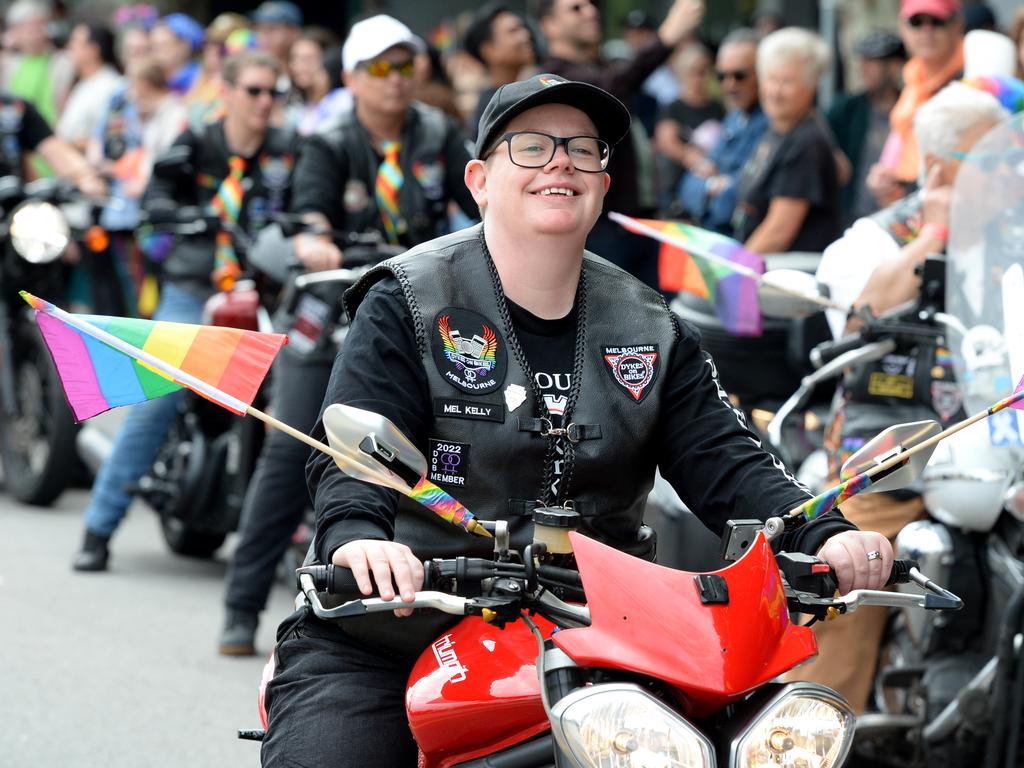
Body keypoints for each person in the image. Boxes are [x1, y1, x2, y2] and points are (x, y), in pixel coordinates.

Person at [258, 72, 895, 768]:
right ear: (478, 178)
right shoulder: (406, 299)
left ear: (602, 179)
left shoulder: (650, 325)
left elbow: (725, 458)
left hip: (599, 638)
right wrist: (358, 541)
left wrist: (822, 531)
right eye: (531, 146)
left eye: (583, 149)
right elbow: (353, 449)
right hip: (395, 630)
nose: (561, 161)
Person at [217, 15, 478, 655]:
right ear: (351, 78)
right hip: (332, 308)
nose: (395, 81)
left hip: (420, 310)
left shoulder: (440, 132)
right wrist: (314, 239)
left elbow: (479, 208)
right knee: (292, 446)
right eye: (380, 69)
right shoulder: (328, 143)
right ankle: (241, 609)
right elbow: (308, 216)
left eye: (405, 65)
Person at [794, 81, 1011, 713]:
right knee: (848, 567)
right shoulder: (874, 238)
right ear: (942, 168)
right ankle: (808, 727)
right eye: (993, 162)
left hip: (996, 443)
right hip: (890, 449)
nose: (1010, 175)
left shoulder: (1012, 243)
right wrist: (933, 234)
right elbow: (858, 318)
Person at [72, 50, 298, 572]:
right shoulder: (194, 144)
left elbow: (313, 205)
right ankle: (98, 528)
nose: (265, 103)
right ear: (229, 91)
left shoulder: (292, 150)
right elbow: (153, 202)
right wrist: (183, 216)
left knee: (296, 397)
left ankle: (291, 534)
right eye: (254, 91)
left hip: (266, 293)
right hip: (196, 289)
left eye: (274, 93)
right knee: (158, 399)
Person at [533, 0, 705, 288]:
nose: (590, 12)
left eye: (590, 5)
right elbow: (607, 88)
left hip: (638, 221)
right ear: (548, 25)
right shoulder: (553, 76)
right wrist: (664, 39)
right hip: (604, 229)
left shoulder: (599, 68)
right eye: (575, 8)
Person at [87, 57, 188, 316]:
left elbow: (164, 161)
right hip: (138, 209)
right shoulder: (148, 115)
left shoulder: (174, 114)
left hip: (159, 211)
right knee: (139, 279)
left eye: (134, 87)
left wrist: (140, 181)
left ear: (144, 84)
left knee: (150, 278)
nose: (131, 96)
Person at [732, 27, 841, 254]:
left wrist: (731, 277)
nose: (775, 91)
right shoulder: (775, 129)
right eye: (771, 79)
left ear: (812, 86)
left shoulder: (806, 142)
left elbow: (778, 233)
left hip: (786, 276)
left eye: (787, 82)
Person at [869, 0, 964, 208]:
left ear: (957, 25)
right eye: (916, 22)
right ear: (902, 27)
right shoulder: (913, 81)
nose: (926, 31)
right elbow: (896, 154)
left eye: (937, 21)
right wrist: (885, 178)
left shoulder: (973, 78)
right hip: (915, 205)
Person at [677, 28, 768, 233]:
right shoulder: (733, 118)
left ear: (763, 72)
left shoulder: (775, 123)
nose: (730, 85)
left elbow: (743, 196)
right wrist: (712, 186)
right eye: (722, 76)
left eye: (739, 75)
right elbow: (687, 187)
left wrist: (718, 188)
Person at [828, 31, 905, 226]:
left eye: (872, 61)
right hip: (851, 217)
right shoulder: (846, 110)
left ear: (895, 65)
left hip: (899, 216)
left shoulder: (911, 108)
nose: (863, 68)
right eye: (862, 60)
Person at [653, 41, 723, 210]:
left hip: (712, 179)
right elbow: (667, 142)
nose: (700, 77)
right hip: (678, 185)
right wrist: (694, 159)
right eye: (694, 72)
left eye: (705, 71)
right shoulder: (673, 106)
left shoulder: (717, 107)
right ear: (683, 73)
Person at [462, 3, 537, 140]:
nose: (526, 36)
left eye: (523, 28)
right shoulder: (493, 108)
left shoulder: (531, 89)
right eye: (513, 31)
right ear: (489, 51)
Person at [57, 22, 124, 153]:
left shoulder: (112, 87)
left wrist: (68, 145)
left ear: (93, 50)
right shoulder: (83, 83)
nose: (69, 48)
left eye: (75, 43)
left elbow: (110, 137)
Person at [284, 27, 348, 136]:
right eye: (295, 58)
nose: (298, 66)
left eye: (307, 59)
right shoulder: (294, 106)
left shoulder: (343, 100)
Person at [150, 13, 204, 96]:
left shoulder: (199, 79)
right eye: (153, 46)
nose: (155, 52)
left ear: (184, 46)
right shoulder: (153, 80)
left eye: (163, 45)